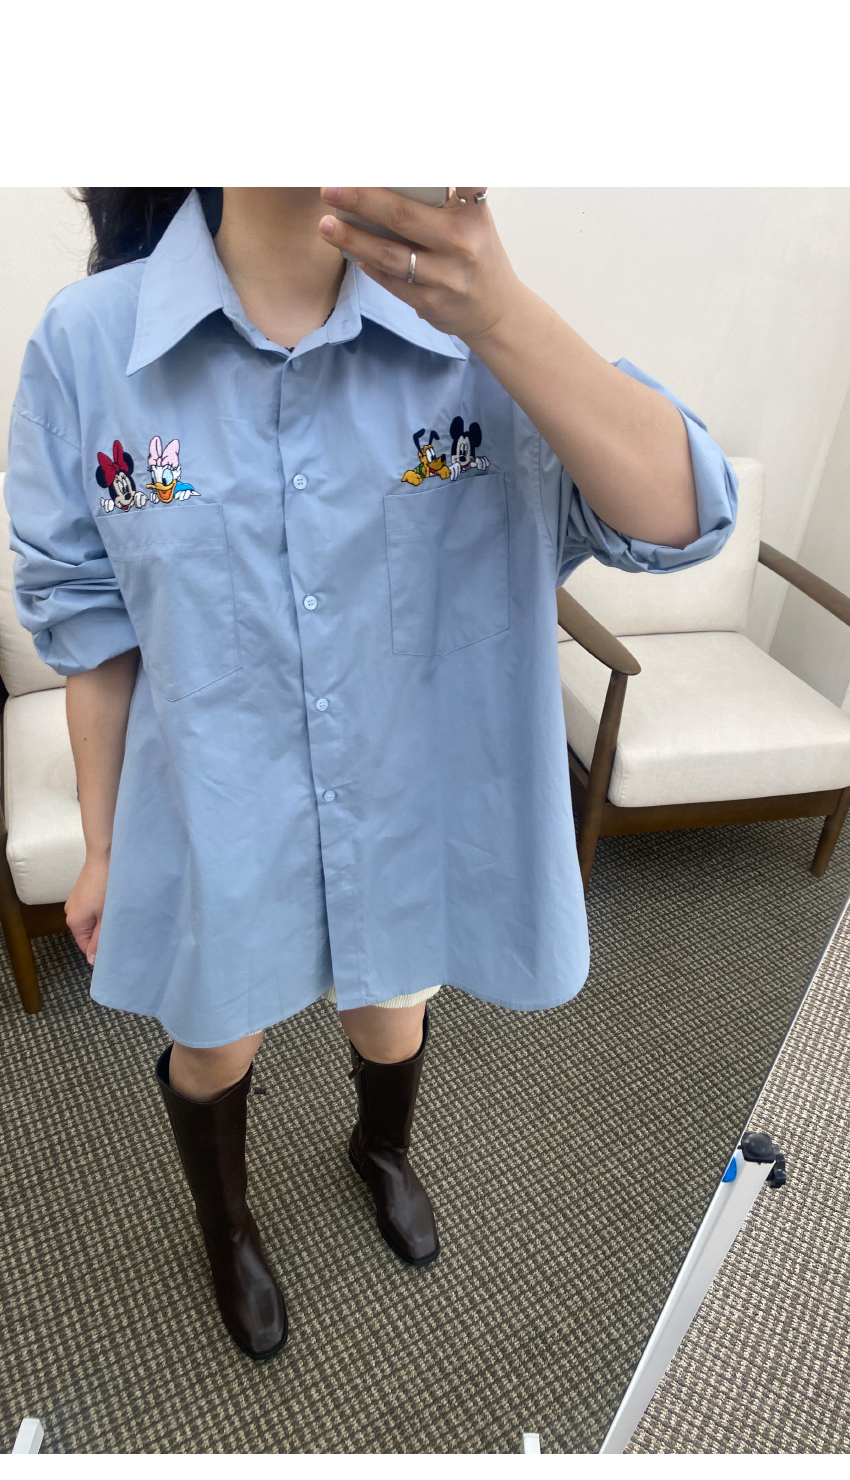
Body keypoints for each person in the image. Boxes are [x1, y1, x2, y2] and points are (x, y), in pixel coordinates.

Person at [4, 186, 737, 1361]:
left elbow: (682, 516)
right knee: (214, 1043)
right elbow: (93, 628)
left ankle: (380, 1147)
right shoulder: (89, 344)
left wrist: (499, 311)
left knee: (391, 1018)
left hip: (408, 813)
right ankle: (227, 1223)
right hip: (213, 813)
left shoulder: (476, 334)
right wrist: (101, 844)